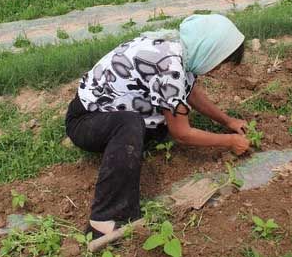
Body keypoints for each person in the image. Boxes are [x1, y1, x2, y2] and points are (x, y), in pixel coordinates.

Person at [65, 14, 251, 238]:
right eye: (220, 62)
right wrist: (229, 141)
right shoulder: (169, 67)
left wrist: (227, 121)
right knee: (131, 123)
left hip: (103, 114)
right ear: (209, 50)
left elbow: (188, 91)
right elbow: (181, 133)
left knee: (161, 122)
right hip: (86, 122)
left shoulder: (179, 49)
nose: (218, 69)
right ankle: (104, 221)